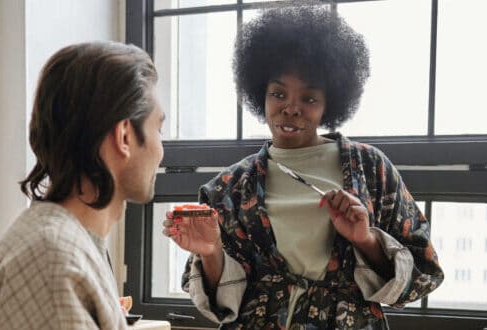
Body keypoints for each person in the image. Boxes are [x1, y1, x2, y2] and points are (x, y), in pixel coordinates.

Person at [163, 6, 443, 329]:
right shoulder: (229, 188)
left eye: (309, 99)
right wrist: (211, 251)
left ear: (330, 103)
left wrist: (365, 239)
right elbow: (221, 301)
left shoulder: (372, 170)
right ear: (261, 95)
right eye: (278, 93)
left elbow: (424, 272)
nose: (291, 109)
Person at [0, 41, 164, 329]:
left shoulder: (61, 245)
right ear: (125, 136)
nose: (160, 149)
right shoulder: (54, 262)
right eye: (159, 128)